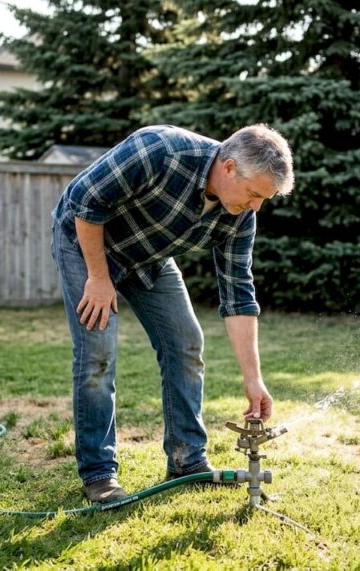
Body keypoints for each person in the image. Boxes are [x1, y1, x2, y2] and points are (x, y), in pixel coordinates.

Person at [50, 124, 294, 503]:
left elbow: (238, 294)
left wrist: (253, 379)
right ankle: (98, 474)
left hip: (147, 255)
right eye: (253, 194)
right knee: (98, 350)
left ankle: (187, 461)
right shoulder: (162, 150)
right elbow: (86, 201)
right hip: (85, 241)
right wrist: (98, 278)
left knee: (186, 341)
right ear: (229, 168)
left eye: (264, 198)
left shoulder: (240, 215)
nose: (256, 206)